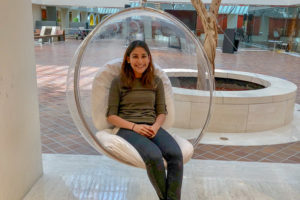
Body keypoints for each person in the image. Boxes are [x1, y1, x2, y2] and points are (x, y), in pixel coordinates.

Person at [106, 40, 183, 200]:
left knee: (176, 155)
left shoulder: (156, 81)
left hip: (151, 126)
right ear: (128, 59)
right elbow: (111, 116)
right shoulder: (118, 82)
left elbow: (162, 112)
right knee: (154, 156)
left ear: (149, 58)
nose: (140, 61)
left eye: (143, 56)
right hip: (127, 128)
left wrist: (155, 127)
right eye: (135, 56)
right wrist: (135, 127)